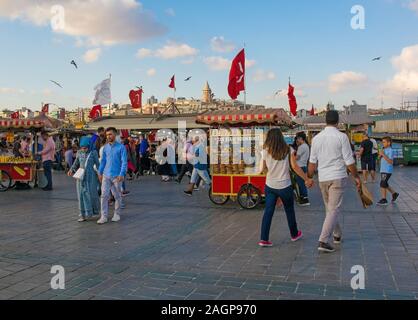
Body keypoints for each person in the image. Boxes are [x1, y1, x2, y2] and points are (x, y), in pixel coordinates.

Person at [308, 110, 361, 253]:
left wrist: (309, 177)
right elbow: (349, 161)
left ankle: (337, 234)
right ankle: (323, 240)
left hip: (323, 178)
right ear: (338, 122)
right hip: (337, 176)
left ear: (325, 121)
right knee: (333, 209)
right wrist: (356, 176)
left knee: (330, 209)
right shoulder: (342, 137)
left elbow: (312, 162)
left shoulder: (316, 139)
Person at [258, 128, 313, 247]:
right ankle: (294, 234)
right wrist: (306, 179)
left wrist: (269, 169)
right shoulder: (289, 150)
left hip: (270, 186)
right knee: (289, 210)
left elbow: (262, 169)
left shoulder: (265, 151)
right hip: (285, 185)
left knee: (268, 211)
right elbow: (295, 167)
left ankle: (264, 238)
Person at [97, 127, 127, 225]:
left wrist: (122, 174)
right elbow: (103, 161)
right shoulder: (105, 148)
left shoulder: (121, 147)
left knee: (117, 195)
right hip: (106, 175)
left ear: (115, 135)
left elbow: (124, 162)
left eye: (110, 134)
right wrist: (100, 172)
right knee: (104, 196)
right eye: (107, 135)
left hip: (117, 176)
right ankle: (104, 216)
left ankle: (117, 214)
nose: (108, 136)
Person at [68, 137, 101, 222]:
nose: (84, 149)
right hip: (81, 178)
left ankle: (92, 212)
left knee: (91, 194)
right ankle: (82, 215)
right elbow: (76, 163)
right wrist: (71, 170)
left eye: (85, 148)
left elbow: (98, 164)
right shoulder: (79, 152)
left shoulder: (93, 153)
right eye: (82, 147)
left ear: (89, 146)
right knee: (81, 195)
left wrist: (101, 174)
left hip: (91, 177)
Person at [377, 137, 399, 206]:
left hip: (387, 170)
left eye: (384, 142)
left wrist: (383, 154)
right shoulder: (384, 149)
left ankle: (384, 199)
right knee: (385, 183)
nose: (382, 143)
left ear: (389, 143)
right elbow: (378, 158)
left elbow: (391, 161)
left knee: (382, 183)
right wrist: (380, 155)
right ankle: (394, 193)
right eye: (382, 142)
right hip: (383, 169)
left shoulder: (390, 150)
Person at [294, 132, 311, 206]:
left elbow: (296, 158)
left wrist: (291, 157)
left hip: (300, 167)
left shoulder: (302, 147)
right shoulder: (306, 146)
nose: (297, 140)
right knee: (301, 183)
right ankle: (302, 197)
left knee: (301, 183)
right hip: (303, 166)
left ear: (301, 138)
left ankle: (305, 199)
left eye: (298, 138)